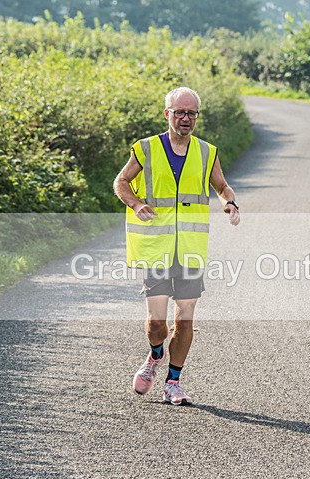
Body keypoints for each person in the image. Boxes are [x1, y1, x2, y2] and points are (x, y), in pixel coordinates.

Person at [114, 86, 240, 405]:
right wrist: (136, 204)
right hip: (155, 248)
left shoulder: (207, 151)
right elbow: (121, 182)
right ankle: (155, 354)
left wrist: (230, 202)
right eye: (180, 112)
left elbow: (222, 185)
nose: (186, 118)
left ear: (197, 116)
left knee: (185, 318)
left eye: (192, 113)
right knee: (157, 323)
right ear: (167, 114)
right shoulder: (145, 149)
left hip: (190, 249)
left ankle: (173, 380)